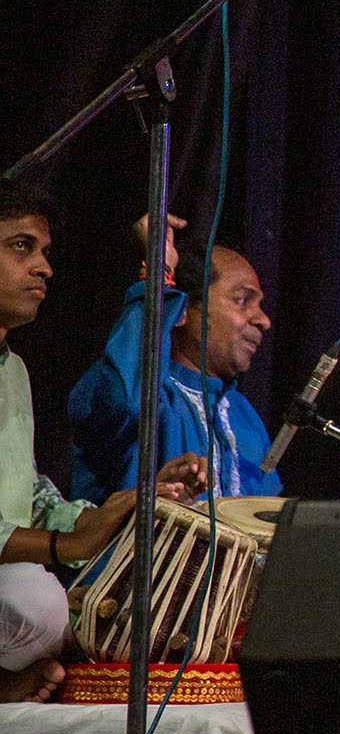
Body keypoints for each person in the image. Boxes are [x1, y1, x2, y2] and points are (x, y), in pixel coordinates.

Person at [2, 182, 208, 703]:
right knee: (33, 599)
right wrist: (67, 546)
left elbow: (26, 493)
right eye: (21, 246)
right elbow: (122, 396)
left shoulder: (13, 371)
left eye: (45, 252)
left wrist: (110, 513)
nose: (45, 268)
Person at [67, 218, 279, 507]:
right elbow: (125, 401)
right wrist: (159, 273)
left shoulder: (244, 417)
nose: (264, 320)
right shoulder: (141, 393)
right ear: (182, 311)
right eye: (243, 300)